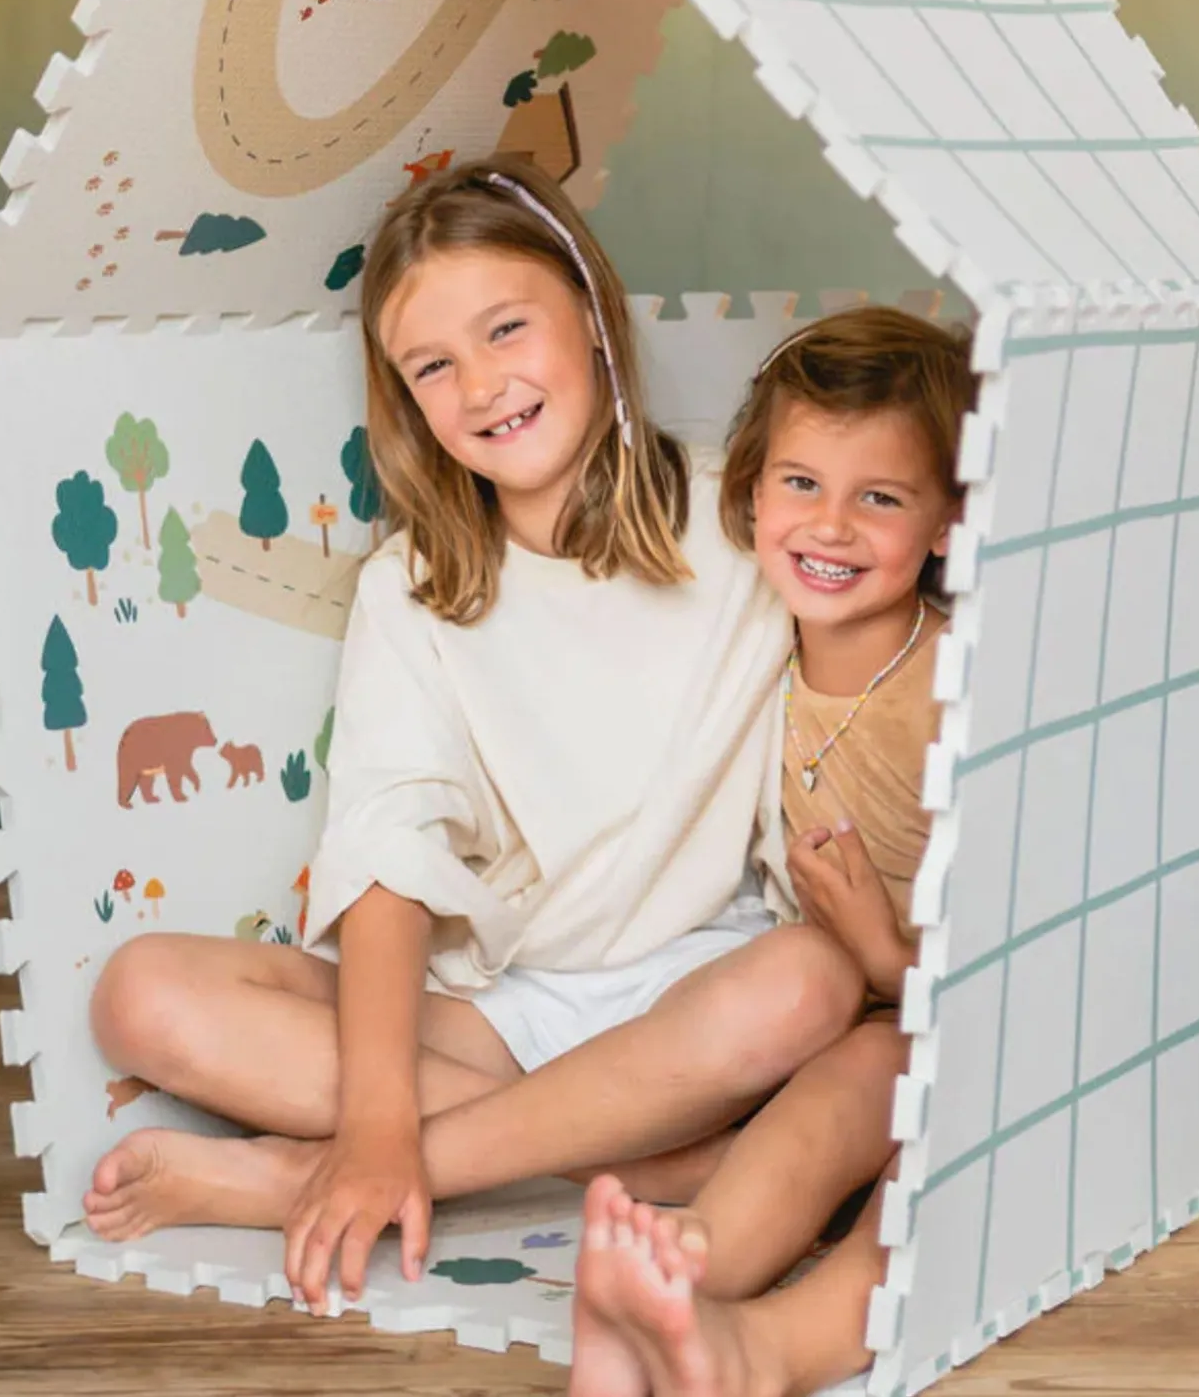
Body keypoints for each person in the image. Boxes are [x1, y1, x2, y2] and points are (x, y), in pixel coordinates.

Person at [81, 159, 866, 1315]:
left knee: (809, 983)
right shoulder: (415, 588)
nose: (483, 385)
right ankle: (647, 1162)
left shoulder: (743, 517)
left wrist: (379, 1145)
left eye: (506, 329)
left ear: (591, 315)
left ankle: (328, 1175)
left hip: (703, 990)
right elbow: (387, 848)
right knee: (140, 996)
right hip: (503, 1011)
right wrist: (376, 1114)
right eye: (433, 366)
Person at [568, 306, 976, 1397]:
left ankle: (762, 1351)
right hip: (844, 1015)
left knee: (908, 1130)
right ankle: (673, 1289)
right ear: (751, 496)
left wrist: (886, 957)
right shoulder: (755, 647)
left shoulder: (956, 690)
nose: (830, 526)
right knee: (788, 1111)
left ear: (947, 522)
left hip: (968, 1021)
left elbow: (1034, 951)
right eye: (801, 483)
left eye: (879, 498)